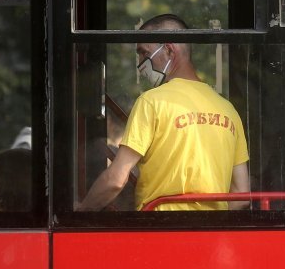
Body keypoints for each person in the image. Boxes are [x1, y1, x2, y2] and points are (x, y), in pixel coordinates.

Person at [77, 14, 250, 211]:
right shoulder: (227, 109)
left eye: (144, 53)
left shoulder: (151, 102)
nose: (140, 63)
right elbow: (241, 194)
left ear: (168, 50)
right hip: (213, 235)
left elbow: (116, 179)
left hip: (160, 230)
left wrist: (80, 212)